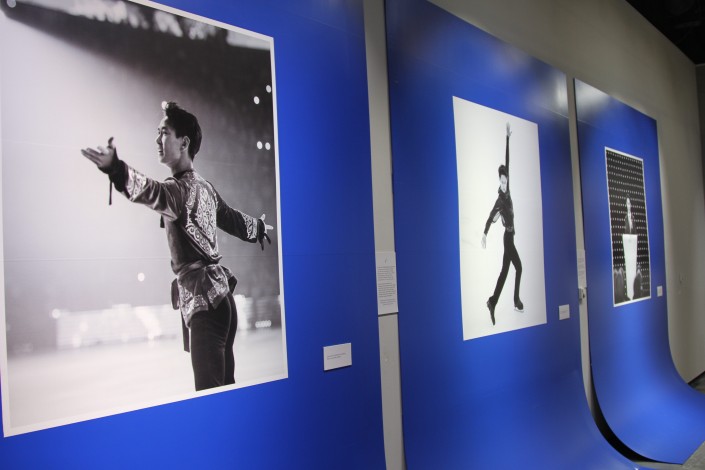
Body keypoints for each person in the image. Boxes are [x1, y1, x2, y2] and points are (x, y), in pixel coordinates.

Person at [81, 101, 273, 391]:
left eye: (164, 133)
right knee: (226, 392)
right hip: (222, 300)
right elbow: (232, 218)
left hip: (205, 303)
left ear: (184, 143)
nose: (157, 139)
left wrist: (116, 169)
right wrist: (257, 228)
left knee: (209, 397)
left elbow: (149, 191)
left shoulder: (176, 190)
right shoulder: (205, 188)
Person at [481, 123, 523, 325]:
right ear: (499, 181)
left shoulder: (509, 190)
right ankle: (515, 300)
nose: (505, 184)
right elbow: (491, 216)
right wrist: (485, 233)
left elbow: (508, 161)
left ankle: (492, 301)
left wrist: (507, 139)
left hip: (511, 236)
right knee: (518, 268)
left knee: (505, 272)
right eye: (503, 182)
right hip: (508, 238)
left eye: (506, 181)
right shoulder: (499, 200)